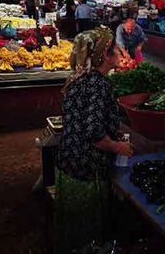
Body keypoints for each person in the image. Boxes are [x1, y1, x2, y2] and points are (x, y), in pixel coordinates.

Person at [54, 27, 133, 253]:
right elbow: (95, 136)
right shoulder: (98, 85)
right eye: (115, 49)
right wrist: (120, 146)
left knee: (72, 230)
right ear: (104, 56)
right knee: (87, 235)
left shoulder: (80, 79)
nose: (120, 53)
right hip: (85, 169)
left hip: (68, 163)